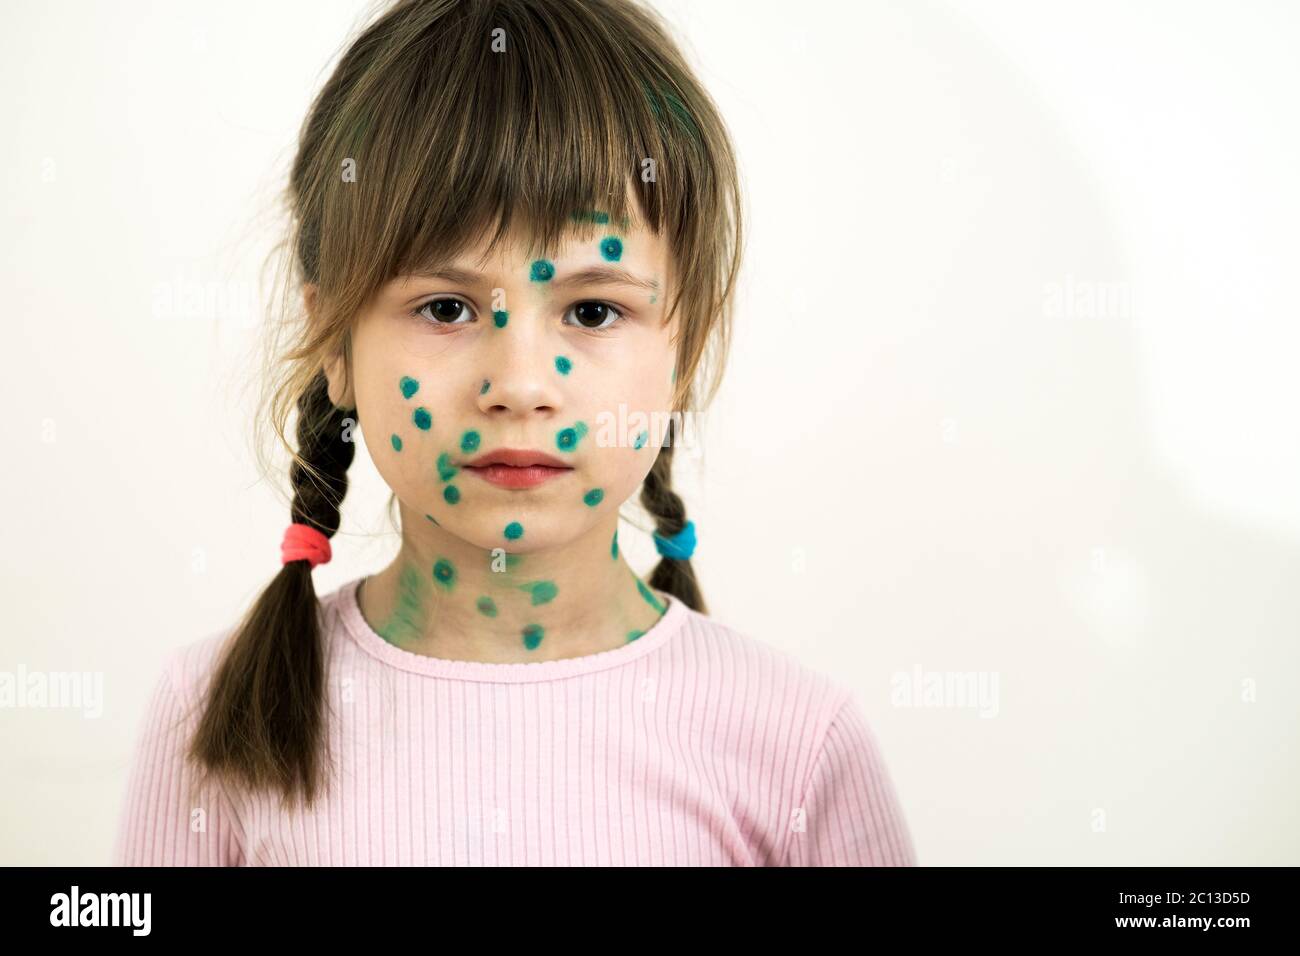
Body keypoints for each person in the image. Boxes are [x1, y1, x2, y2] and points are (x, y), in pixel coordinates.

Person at [111, 0, 916, 866]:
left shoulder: (797, 744)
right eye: (447, 307)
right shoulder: (215, 717)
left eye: (595, 309)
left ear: (685, 346)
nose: (521, 385)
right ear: (335, 345)